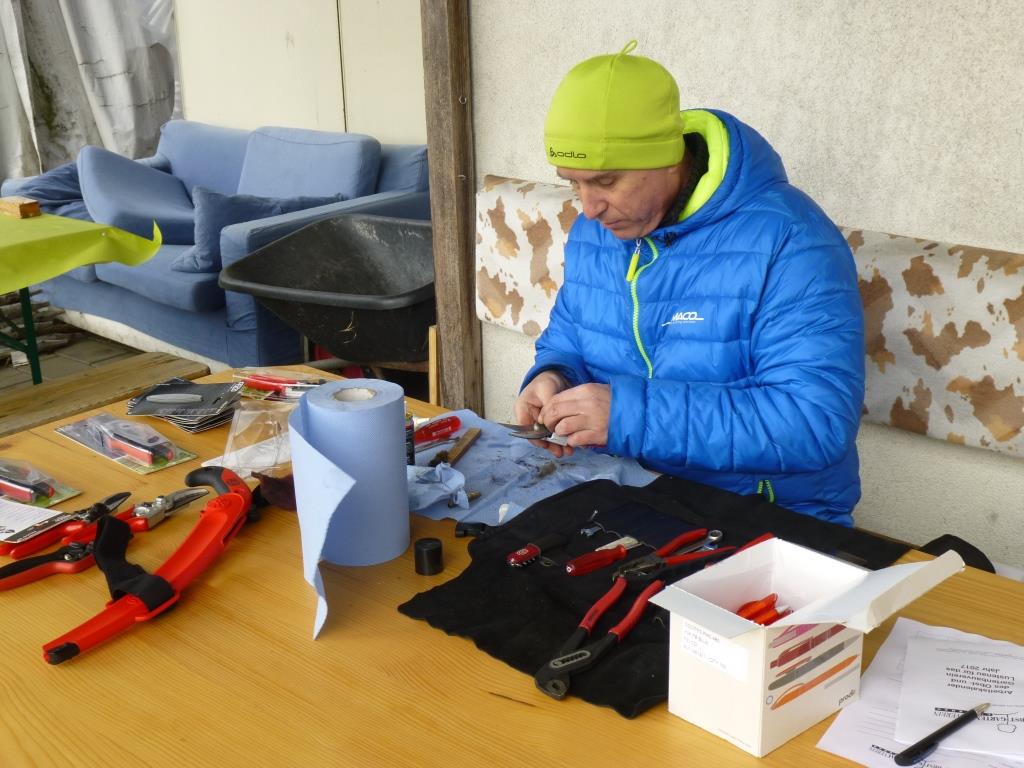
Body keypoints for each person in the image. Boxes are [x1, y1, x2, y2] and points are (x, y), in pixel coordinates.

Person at [513, 41, 865, 525]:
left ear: (667, 158)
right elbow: (571, 337)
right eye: (573, 183)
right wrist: (555, 377)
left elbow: (814, 420)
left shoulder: (792, 239)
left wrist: (629, 417)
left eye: (606, 181)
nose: (589, 208)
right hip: (627, 492)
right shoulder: (598, 232)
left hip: (764, 516)